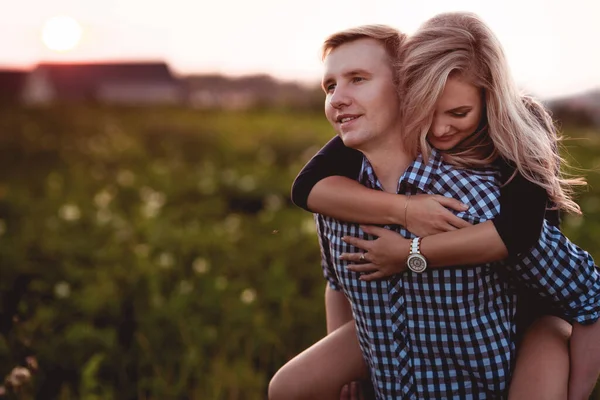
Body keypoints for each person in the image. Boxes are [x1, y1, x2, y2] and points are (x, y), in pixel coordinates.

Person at [269, 12, 600, 400]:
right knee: (286, 388)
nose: (441, 129)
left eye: (358, 78)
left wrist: (411, 252)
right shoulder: (340, 189)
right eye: (330, 85)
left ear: (402, 90)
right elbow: (324, 241)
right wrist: (405, 211)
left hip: (533, 315)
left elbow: (524, 237)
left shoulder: (487, 186)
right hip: (399, 358)